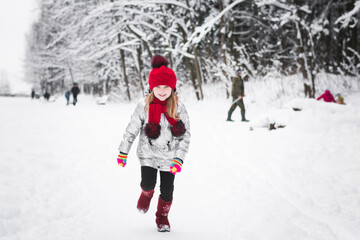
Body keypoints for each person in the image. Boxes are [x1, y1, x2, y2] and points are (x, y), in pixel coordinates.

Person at [117, 55, 191, 232]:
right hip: (148, 152)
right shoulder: (144, 105)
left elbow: (186, 135)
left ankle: (162, 217)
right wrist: (123, 151)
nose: (162, 90)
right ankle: (146, 193)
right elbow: (132, 129)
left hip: (170, 155)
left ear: (172, 87)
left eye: (166, 87)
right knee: (148, 183)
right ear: (151, 87)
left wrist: (179, 158)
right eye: (158, 86)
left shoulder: (179, 107)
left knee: (167, 191)